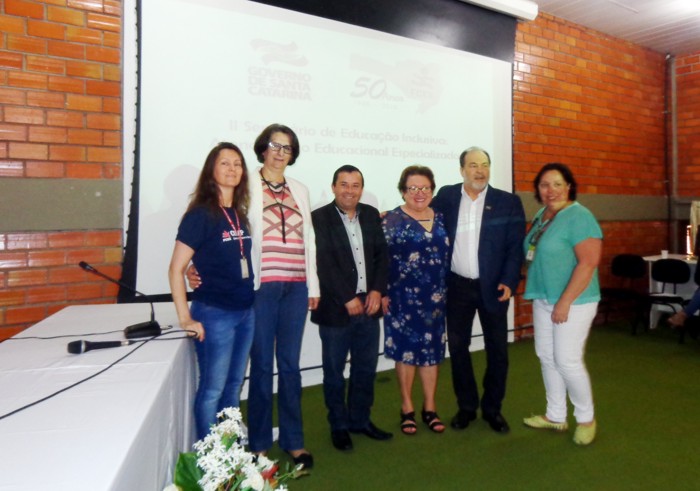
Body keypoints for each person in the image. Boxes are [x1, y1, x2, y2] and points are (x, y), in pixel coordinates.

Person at [187, 124, 319, 468]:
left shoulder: (301, 189)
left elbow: (310, 241)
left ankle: (294, 441)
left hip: (296, 287)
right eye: (274, 145)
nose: (280, 152)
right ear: (262, 149)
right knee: (261, 367)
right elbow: (220, 231)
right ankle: (259, 443)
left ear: (293, 154)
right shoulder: (246, 188)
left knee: (290, 366)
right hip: (260, 288)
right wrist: (192, 266)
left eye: (287, 147)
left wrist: (314, 286)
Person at [431, 147, 525, 434]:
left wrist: (509, 280)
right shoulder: (446, 196)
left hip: (494, 287)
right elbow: (419, 213)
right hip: (457, 286)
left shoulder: (507, 202)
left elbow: (514, 247)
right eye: (473, 165)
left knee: (498, 350)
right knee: (458, 349)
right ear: (462, 170)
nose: (480, 171)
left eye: (485, 165)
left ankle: (493, 409)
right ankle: (467, 407)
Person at [168, 142, 255, 440]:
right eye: (224, 163)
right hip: (215, 314)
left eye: (237, 164)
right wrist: (184, 319)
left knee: (232, 387)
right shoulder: (200, 215)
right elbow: (175, 269)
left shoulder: (239, 214)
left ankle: (230, 451)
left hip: (245, 311)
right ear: (211, 171)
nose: (232, 169)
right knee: (212, 390)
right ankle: (209, 463)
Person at [311, 165, 392, 451]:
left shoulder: (369, 214)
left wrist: (377, 290)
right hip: (335, 308)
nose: (349, 190)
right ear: (333, 187)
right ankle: (339, 425)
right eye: (344, 184)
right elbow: (322, 262)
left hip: (369, 306)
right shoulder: (318, 218)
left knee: (365, 368)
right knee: (334, 372)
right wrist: (347, 296)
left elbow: (382, 256)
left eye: (355, 185)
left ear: (361, 188)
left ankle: (360, 419)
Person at [522, 162, 602, 446]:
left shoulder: (580, 216)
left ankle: (586, 419)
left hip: (574, 301)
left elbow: (589, 262)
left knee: (567, 360)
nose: (550, 190)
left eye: (557, 184)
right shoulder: (543, 215)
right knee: (546, 355)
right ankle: (555, 415)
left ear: (569, 186)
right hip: (544, 297)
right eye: (544, 185)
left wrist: (565, 301)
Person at [381, 165, 450, 436]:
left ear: (432, 190)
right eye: (413, 188)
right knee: (407, 353)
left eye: (425, 188)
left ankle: (429, 407)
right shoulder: (390, 221)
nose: (419, 193)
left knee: (432, 353)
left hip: (436, 299)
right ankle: (407, 407)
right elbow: (379, 260)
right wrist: (382, 292)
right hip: (402, 299)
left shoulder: (443, 217)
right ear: (402, 191)